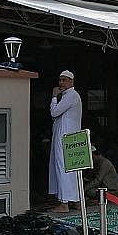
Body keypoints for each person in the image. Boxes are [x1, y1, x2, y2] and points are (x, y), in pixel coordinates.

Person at [47, 70, 83, 213]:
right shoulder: (69, 96)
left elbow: (54, 112)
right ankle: (76, 201)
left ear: (71, 82)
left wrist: (54, 97)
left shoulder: (71, 95)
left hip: (65, 137)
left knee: (63, 168)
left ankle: (64, 203)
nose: (61, 83)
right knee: (72, 169)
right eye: (60, 80)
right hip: (69, 136)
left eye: (64, 80)